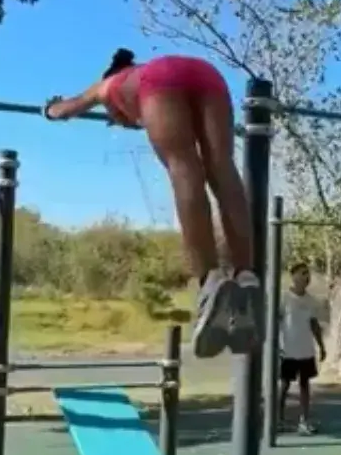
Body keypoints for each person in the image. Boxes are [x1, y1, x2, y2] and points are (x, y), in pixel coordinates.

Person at [43, 48, 259, 359]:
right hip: (209, 75)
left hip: (162, 81)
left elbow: (69, 108)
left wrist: (49, 109)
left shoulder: (110, 84)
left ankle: (210, 281)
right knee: (223, 168)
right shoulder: (139, 78)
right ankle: (246, 275)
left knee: (184, 169)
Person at [278, 263, 326, 435]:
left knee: (305, 385)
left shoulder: (311, 301)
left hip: (306, 350)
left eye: (308, 274)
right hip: (288, 349)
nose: (307, 277)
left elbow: (314, 324)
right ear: (293, 276)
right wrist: (276, 345)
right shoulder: (284, 298)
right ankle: (278, 420)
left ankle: (304, 421)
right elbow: (276, 321)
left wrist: (321, 346)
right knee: (284, 385)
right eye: (303, 273)